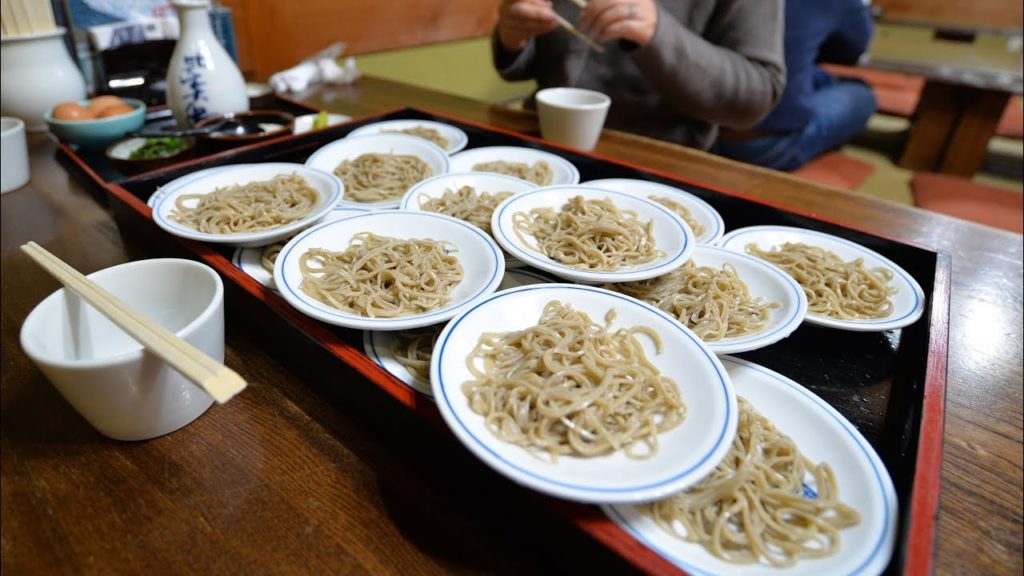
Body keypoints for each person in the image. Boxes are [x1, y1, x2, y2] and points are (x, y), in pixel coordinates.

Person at [492, 0, 786, 152]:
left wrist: (656, 33)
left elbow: (758, 93)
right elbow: (533, 63)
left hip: (660, 166)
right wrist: (512, 36)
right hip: (543, 143)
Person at [714, 0, 877, 171]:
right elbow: (853, 50)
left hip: (704, 120)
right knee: (862, 94)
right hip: (755, 142)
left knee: (817, 76)